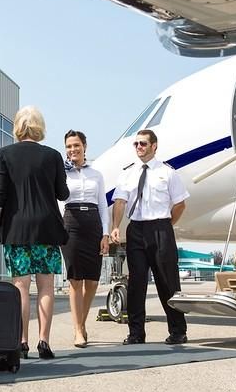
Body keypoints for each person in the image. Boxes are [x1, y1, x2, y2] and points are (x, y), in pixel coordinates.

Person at [0, 106, 69, 359]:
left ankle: (21, 341)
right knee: (46, 286)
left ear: (18, 127)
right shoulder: (52, 156)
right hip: (47, 229)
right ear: (40, 127)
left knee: (20, 286)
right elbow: (63, 194)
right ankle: (44, 342)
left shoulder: (4, 154)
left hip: (17, 230)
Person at [109, 129, 189, 345]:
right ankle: (136, 333)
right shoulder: (128, 173)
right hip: (136, 230)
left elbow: (180, 203)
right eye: (136, 144)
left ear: (154, 146)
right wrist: (115, 226)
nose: (139, 148)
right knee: (137, 283)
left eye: (143, 143)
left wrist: (167, 224)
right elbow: (120, 202)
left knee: (168, 282)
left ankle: (178, 331)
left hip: (161, 228)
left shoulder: (168, 172)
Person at [60, 130, 109, 348]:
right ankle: (78, 330)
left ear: (85, 146)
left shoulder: (96, 174)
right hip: (70, 223)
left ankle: (81, 322)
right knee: (75, 280)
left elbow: (103, 206)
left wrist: (105, 233)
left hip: (93, 224)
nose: (73, 150)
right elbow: (58, 202)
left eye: (76, 145)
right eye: (69, 146)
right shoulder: (61, 173)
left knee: (92, 282)